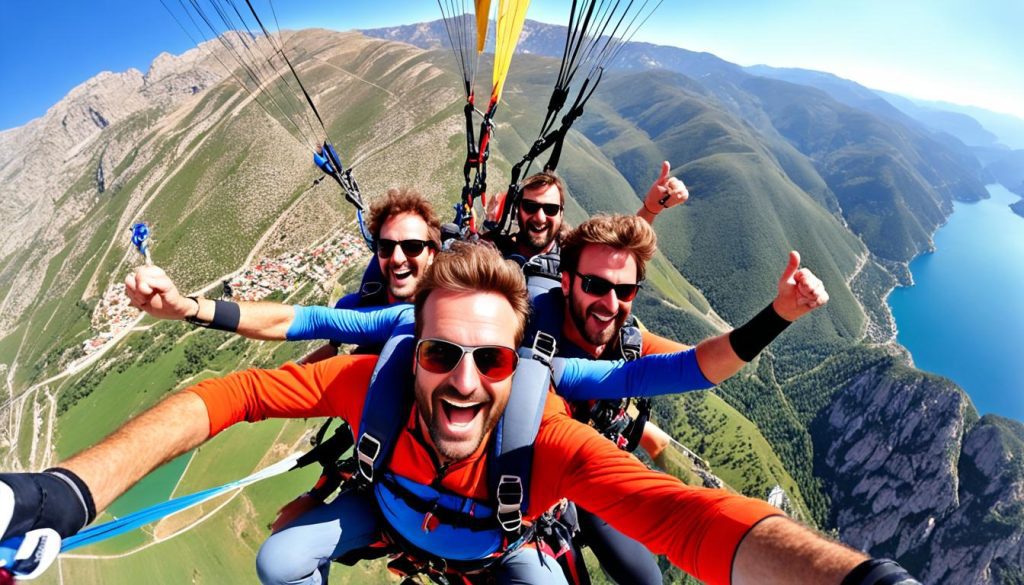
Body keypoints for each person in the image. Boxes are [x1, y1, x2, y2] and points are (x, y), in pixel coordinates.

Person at [0, 243, 918, 585]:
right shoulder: (380, 379)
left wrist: (857, 583)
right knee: (281, 558)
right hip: (393, 508)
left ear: (519, 360)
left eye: (492, 358)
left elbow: (684, 513)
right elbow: (229, 395)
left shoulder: (547, 426)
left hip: (498, 536)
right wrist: (71, 490)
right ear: (415, 347)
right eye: (440, 352)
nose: (465, 380)